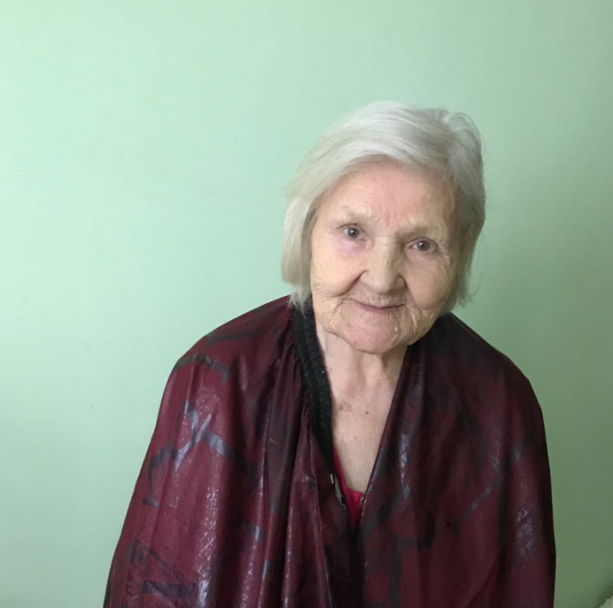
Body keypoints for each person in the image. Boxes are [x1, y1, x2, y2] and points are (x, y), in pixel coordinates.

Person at [104, 101, 556, 607]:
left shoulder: (498, 406)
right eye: (353, 232)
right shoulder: (216, 382)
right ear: (307, 230)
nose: (382, 279)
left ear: (461, 249)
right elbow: (157, 588)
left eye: (422, 244)